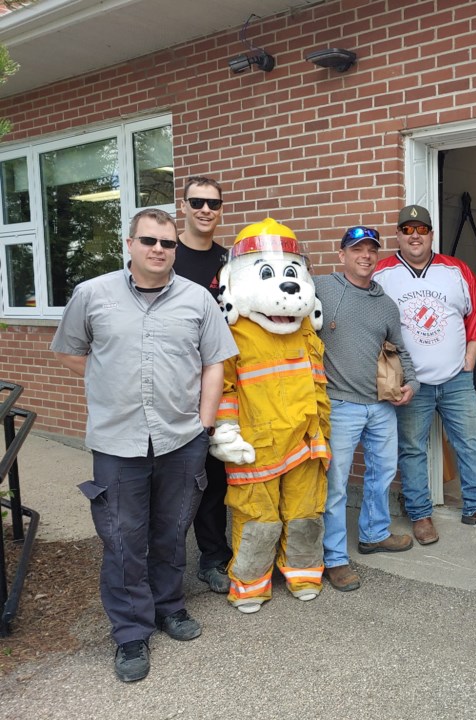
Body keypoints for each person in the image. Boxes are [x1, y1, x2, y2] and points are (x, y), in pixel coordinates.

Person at [51, 208, 238, 683]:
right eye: (149, 241)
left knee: (172, 531)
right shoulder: (92, 294)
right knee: (122, 540)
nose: (159, 250)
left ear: (176, 248)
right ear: (130, 244)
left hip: (181, 438)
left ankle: (169, 607)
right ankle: (130, 632)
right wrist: (109, 383)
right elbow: (71, 352)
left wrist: (205, 424)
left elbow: (215, 362)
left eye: (168, 243)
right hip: (117, 441)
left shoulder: (198, 300)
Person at [211, 218, 330, 614]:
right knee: (257, 519)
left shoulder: (304, 332)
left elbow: (317, 385)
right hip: (254, 445)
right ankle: (250, 586)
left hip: (302, 443)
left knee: (304, 514)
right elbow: (223, 386)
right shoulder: (233, 331)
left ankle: (304, 574)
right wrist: (225, 430)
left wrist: (322, 433)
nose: (287, 285)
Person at [373, 205, 476, 545]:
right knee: (412, 449)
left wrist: (470, 359)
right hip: (410, 383)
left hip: (456, 379)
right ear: (398, 235)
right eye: (407, 229)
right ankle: (420, 515)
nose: (415, 235)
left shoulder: (455, 270)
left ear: (432, 234)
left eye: (421, 229)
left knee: (471, 442)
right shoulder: (382, 274)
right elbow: (370, 326)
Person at [313, 226, 420, 591]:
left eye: (372, 250)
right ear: (342, 254)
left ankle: (374, 534)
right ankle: (334, 558)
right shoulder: (322, 289)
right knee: (336, 484)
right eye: (357, 249)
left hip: (381, 407)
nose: (366, 256)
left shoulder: (385, 304)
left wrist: (412, 384)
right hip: (340, 404)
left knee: (381, 475)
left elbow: (402, 351)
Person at [174, 175, 232, 594]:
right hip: (173, 382)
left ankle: (213, 557)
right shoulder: (163, 254)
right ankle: (165, 564)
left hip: (222, 382)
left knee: (213, 477)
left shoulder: (230, 261)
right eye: (197, 202)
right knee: (175, 481)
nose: (205, 210)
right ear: (184, 206)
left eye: (213, 203)